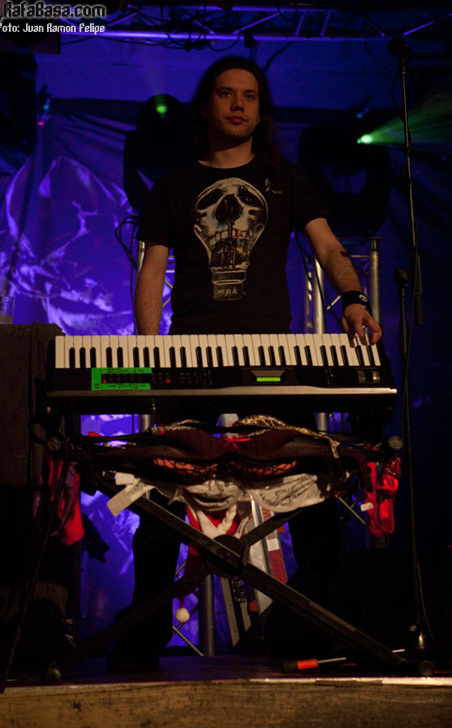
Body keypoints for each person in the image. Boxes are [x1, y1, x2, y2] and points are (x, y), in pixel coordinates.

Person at [110, 55, 382, 670]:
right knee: (164, 489)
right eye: (227, 94)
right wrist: (150, 350)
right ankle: (141, 640)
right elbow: (152, 270)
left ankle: (333, 630)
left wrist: (355, 300)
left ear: (262, 111)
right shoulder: (175, 185)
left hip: (270, 357)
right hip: (190, 354)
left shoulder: (287, 179)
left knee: (310, 488)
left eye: (250, 96)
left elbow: (328, 247)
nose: (238, 104)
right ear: (206, 106)